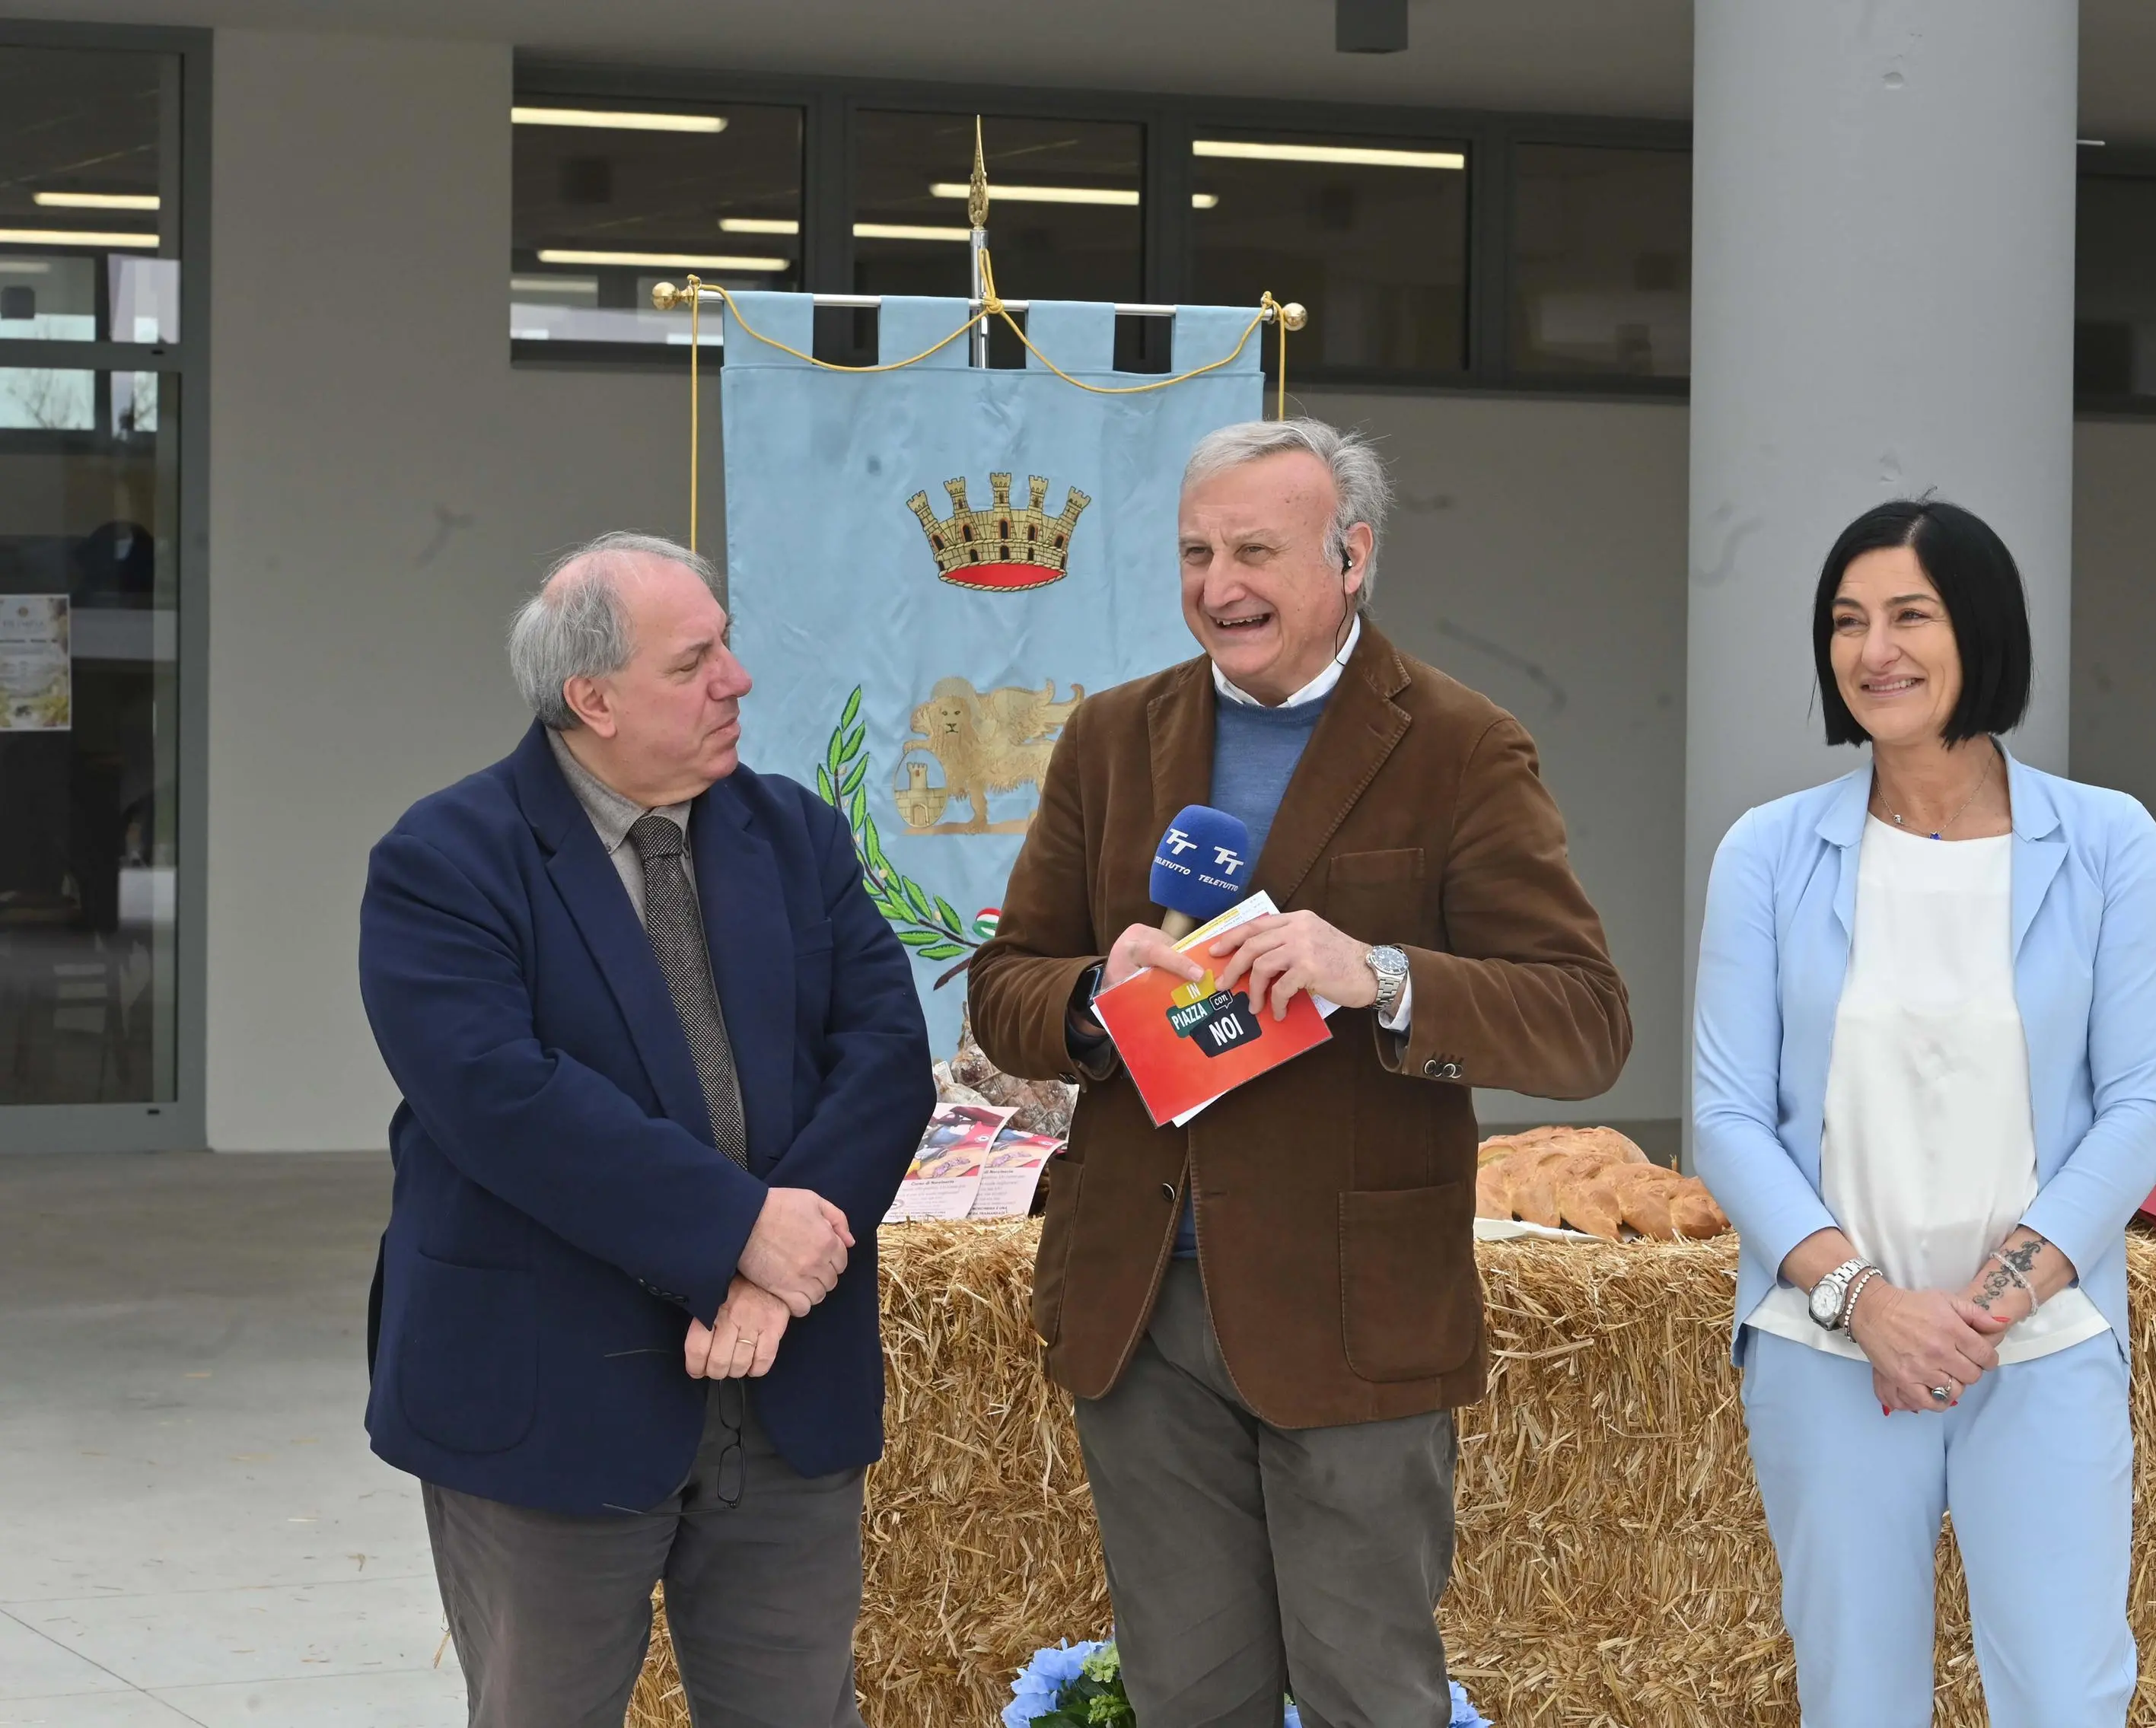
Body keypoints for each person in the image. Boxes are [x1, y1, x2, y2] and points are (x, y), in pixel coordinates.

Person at [968, 419, 1631, 1728]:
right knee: (1184, 1699)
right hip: (1141, 1312)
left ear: (1352, 556)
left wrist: (1376, 972)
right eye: (1195, 553)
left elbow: (1583, 1019)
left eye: (1255, 551)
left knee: (1366, 1697)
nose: (1219, 584)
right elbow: (1005, 987)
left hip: (1354, 1317)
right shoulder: (1109, 737)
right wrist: (1098, 994)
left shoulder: (1460, 745)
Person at [358, 532, 933, 1728]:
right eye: (693, 661)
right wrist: (739, 1230)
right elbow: (504, 1100)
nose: (737, 678)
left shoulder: (798, 836)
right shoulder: (445, 859)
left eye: (725, 645)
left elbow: (884, 1056)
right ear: (593, 698)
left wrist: (774, 1270)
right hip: (548, 1404)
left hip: (784, 1395)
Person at [1689, 500, 2156, 1726]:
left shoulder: (2108, 841)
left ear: (1981, 630)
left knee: (2066, 1695)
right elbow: (1727, 1116)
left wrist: (1977, 1314)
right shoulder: (1765, 851)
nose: (1873, 651)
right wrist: (1870, 1306)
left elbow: (2139, 1105)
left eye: (1909, 615)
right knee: (1855, 1698)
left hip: (2043, 1343)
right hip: (1828, 1352)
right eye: (1845, 621)